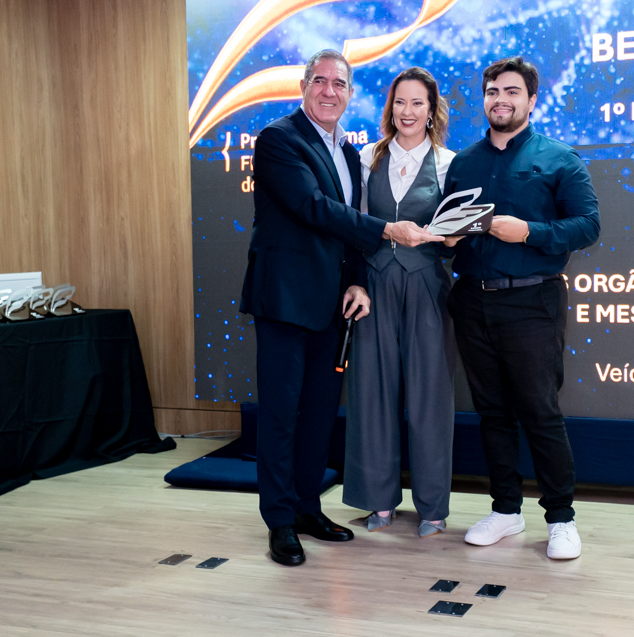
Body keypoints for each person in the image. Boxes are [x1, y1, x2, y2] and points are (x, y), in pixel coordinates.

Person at [239, 49, 442, 567]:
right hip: (285, 300)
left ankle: (307, 507)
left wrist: (357, 282)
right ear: (304, 86)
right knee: (282, 415)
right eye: (321, 81)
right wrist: (388, 229)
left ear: (351, 94)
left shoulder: (351, 154)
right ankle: (280, 521)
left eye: (341, 84)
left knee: (318, 415)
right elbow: (313, 209)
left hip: (334, 305)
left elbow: (346, 229)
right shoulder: (279, 139)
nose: (331, 91)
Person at [441, 56, 600, 560]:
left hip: (534, 299)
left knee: (539, 410)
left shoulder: (560, 159)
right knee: (492, 411)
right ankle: (506, 510)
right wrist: (446, 240)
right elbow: (454, 226)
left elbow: (588, 226)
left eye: (511, 91)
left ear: (532, 100)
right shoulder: (463, 163)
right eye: (492, 91)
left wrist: (530, 231)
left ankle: (560, 518)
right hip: (472, 299)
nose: (500, 99)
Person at [342, 68, 457, 538]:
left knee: (431, 396)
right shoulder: (368, 157)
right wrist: (356, 281)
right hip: (374, 285)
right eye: (399, 103)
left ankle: (432, 508)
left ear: (432, 110)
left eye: (417, 103)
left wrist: (452, 239)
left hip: (428, 285)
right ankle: (378, 500)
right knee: (372, 392)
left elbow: (459, 233)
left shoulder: (451, 163)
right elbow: (352, 226)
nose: (407, 112)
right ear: (390, 108)